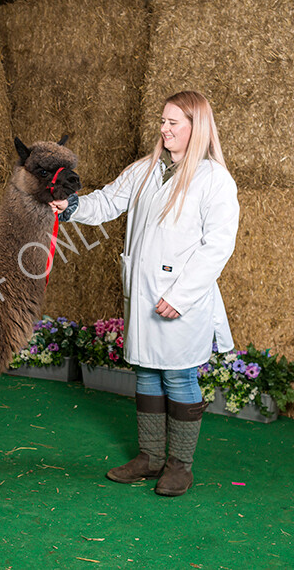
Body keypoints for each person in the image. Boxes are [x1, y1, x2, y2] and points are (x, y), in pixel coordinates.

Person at [51, 91, 239, 496]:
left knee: (179, 375)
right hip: (143, 291)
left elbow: (218, 246)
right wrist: (70, 207)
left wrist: (181, 295)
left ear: (197, 128)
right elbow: (106, 203)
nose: (164, 128)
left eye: (174, 123)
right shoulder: (146, 168)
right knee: (148, 372)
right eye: (164, 121)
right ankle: (150, 457)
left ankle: (180, 465)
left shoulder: (215, 180)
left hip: (180, 297)